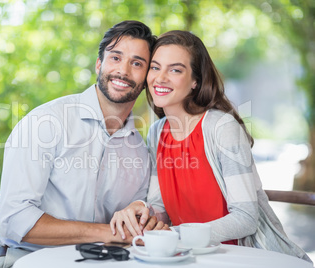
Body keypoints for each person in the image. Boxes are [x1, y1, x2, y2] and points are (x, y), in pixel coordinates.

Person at [110, 30, 312, 263]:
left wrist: (175, 235)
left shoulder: (221, 127)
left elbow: (246, 218)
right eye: (155, 67)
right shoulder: (157, 132)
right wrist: (142, 210)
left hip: (240, 257)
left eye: (175, 69)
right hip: (189, 256)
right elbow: (160, 205)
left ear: (195, 81)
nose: (161, 78)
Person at [0, 21, 167, 268]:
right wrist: (108, 233)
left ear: (147, 77)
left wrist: (143, 220)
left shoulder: (139, 149)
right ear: (99, 64)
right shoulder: (46, 122)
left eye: (137, 63)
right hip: (26, 259)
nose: (124, 71)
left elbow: (134, 222)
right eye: (115, 57)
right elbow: (15, 220)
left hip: (104, 262)